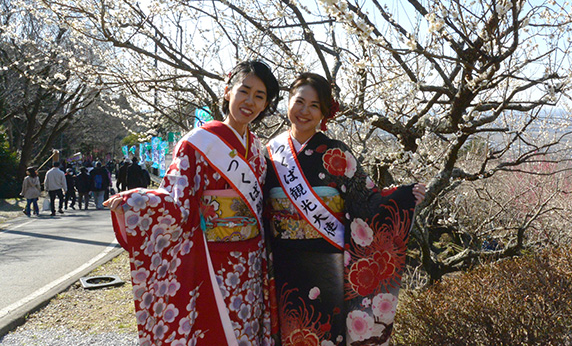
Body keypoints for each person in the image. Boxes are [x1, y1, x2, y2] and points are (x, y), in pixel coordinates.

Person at [105, 61, 280, 345]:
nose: (250, 101)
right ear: (227, 92)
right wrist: (137, 202)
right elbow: (177, 199)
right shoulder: (198, 142)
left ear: (265, 105)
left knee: (246, 330)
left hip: (250, 262)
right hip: (211, 258)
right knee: (213, 328)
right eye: (244, 91)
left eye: (259, 96)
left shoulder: (259, 150)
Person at [265, 73, 426, 346]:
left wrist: (401, 198)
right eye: (299, 101)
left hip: (328, 266)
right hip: (284, 265)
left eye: (314, 106)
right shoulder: (269, 153)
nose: (304, 111)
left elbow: (366, 201)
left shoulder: (336, 152)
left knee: (326, 332)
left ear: (325, 113)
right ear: (288, 101)